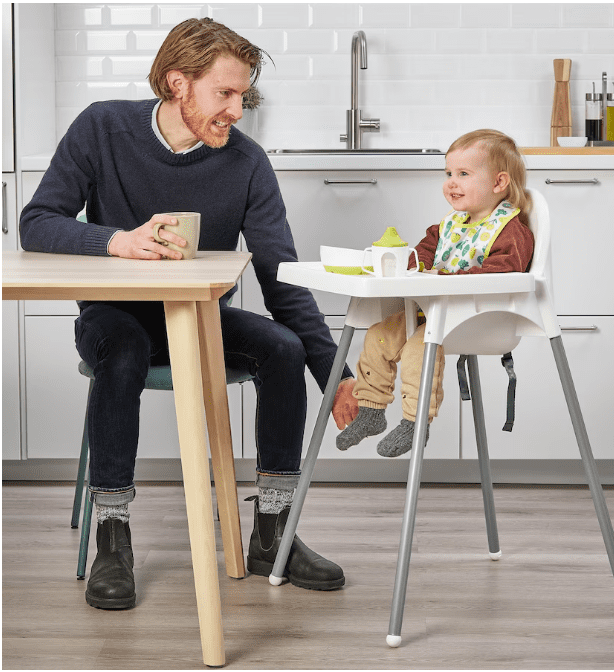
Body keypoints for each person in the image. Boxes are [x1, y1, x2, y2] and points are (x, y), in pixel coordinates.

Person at [19, 18, 360, 609]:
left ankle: (272, 533)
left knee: (283, 348)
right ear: (179, 83)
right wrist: (115, 241)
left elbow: (281, 276)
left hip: (198, 320)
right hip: (112, 317)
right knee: (123, 349)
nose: (238, 108)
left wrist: (337, 376)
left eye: (244, 95)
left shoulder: (247, 163)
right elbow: (36, 221)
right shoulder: (102, 128)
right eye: (225, 93)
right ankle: (113, 536)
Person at [336, 129, 535, 458]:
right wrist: (412, 268)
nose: (451, 182)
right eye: (448, 174)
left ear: (499, 183)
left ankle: (415, 422)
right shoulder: (450, 225)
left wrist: (447, 277)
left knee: (418, 348)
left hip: (476, 316)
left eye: (463, 174)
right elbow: (422, 256)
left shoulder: (509, 229)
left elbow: (506, 271)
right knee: (377, 336)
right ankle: (371, 410)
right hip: (430, 311)